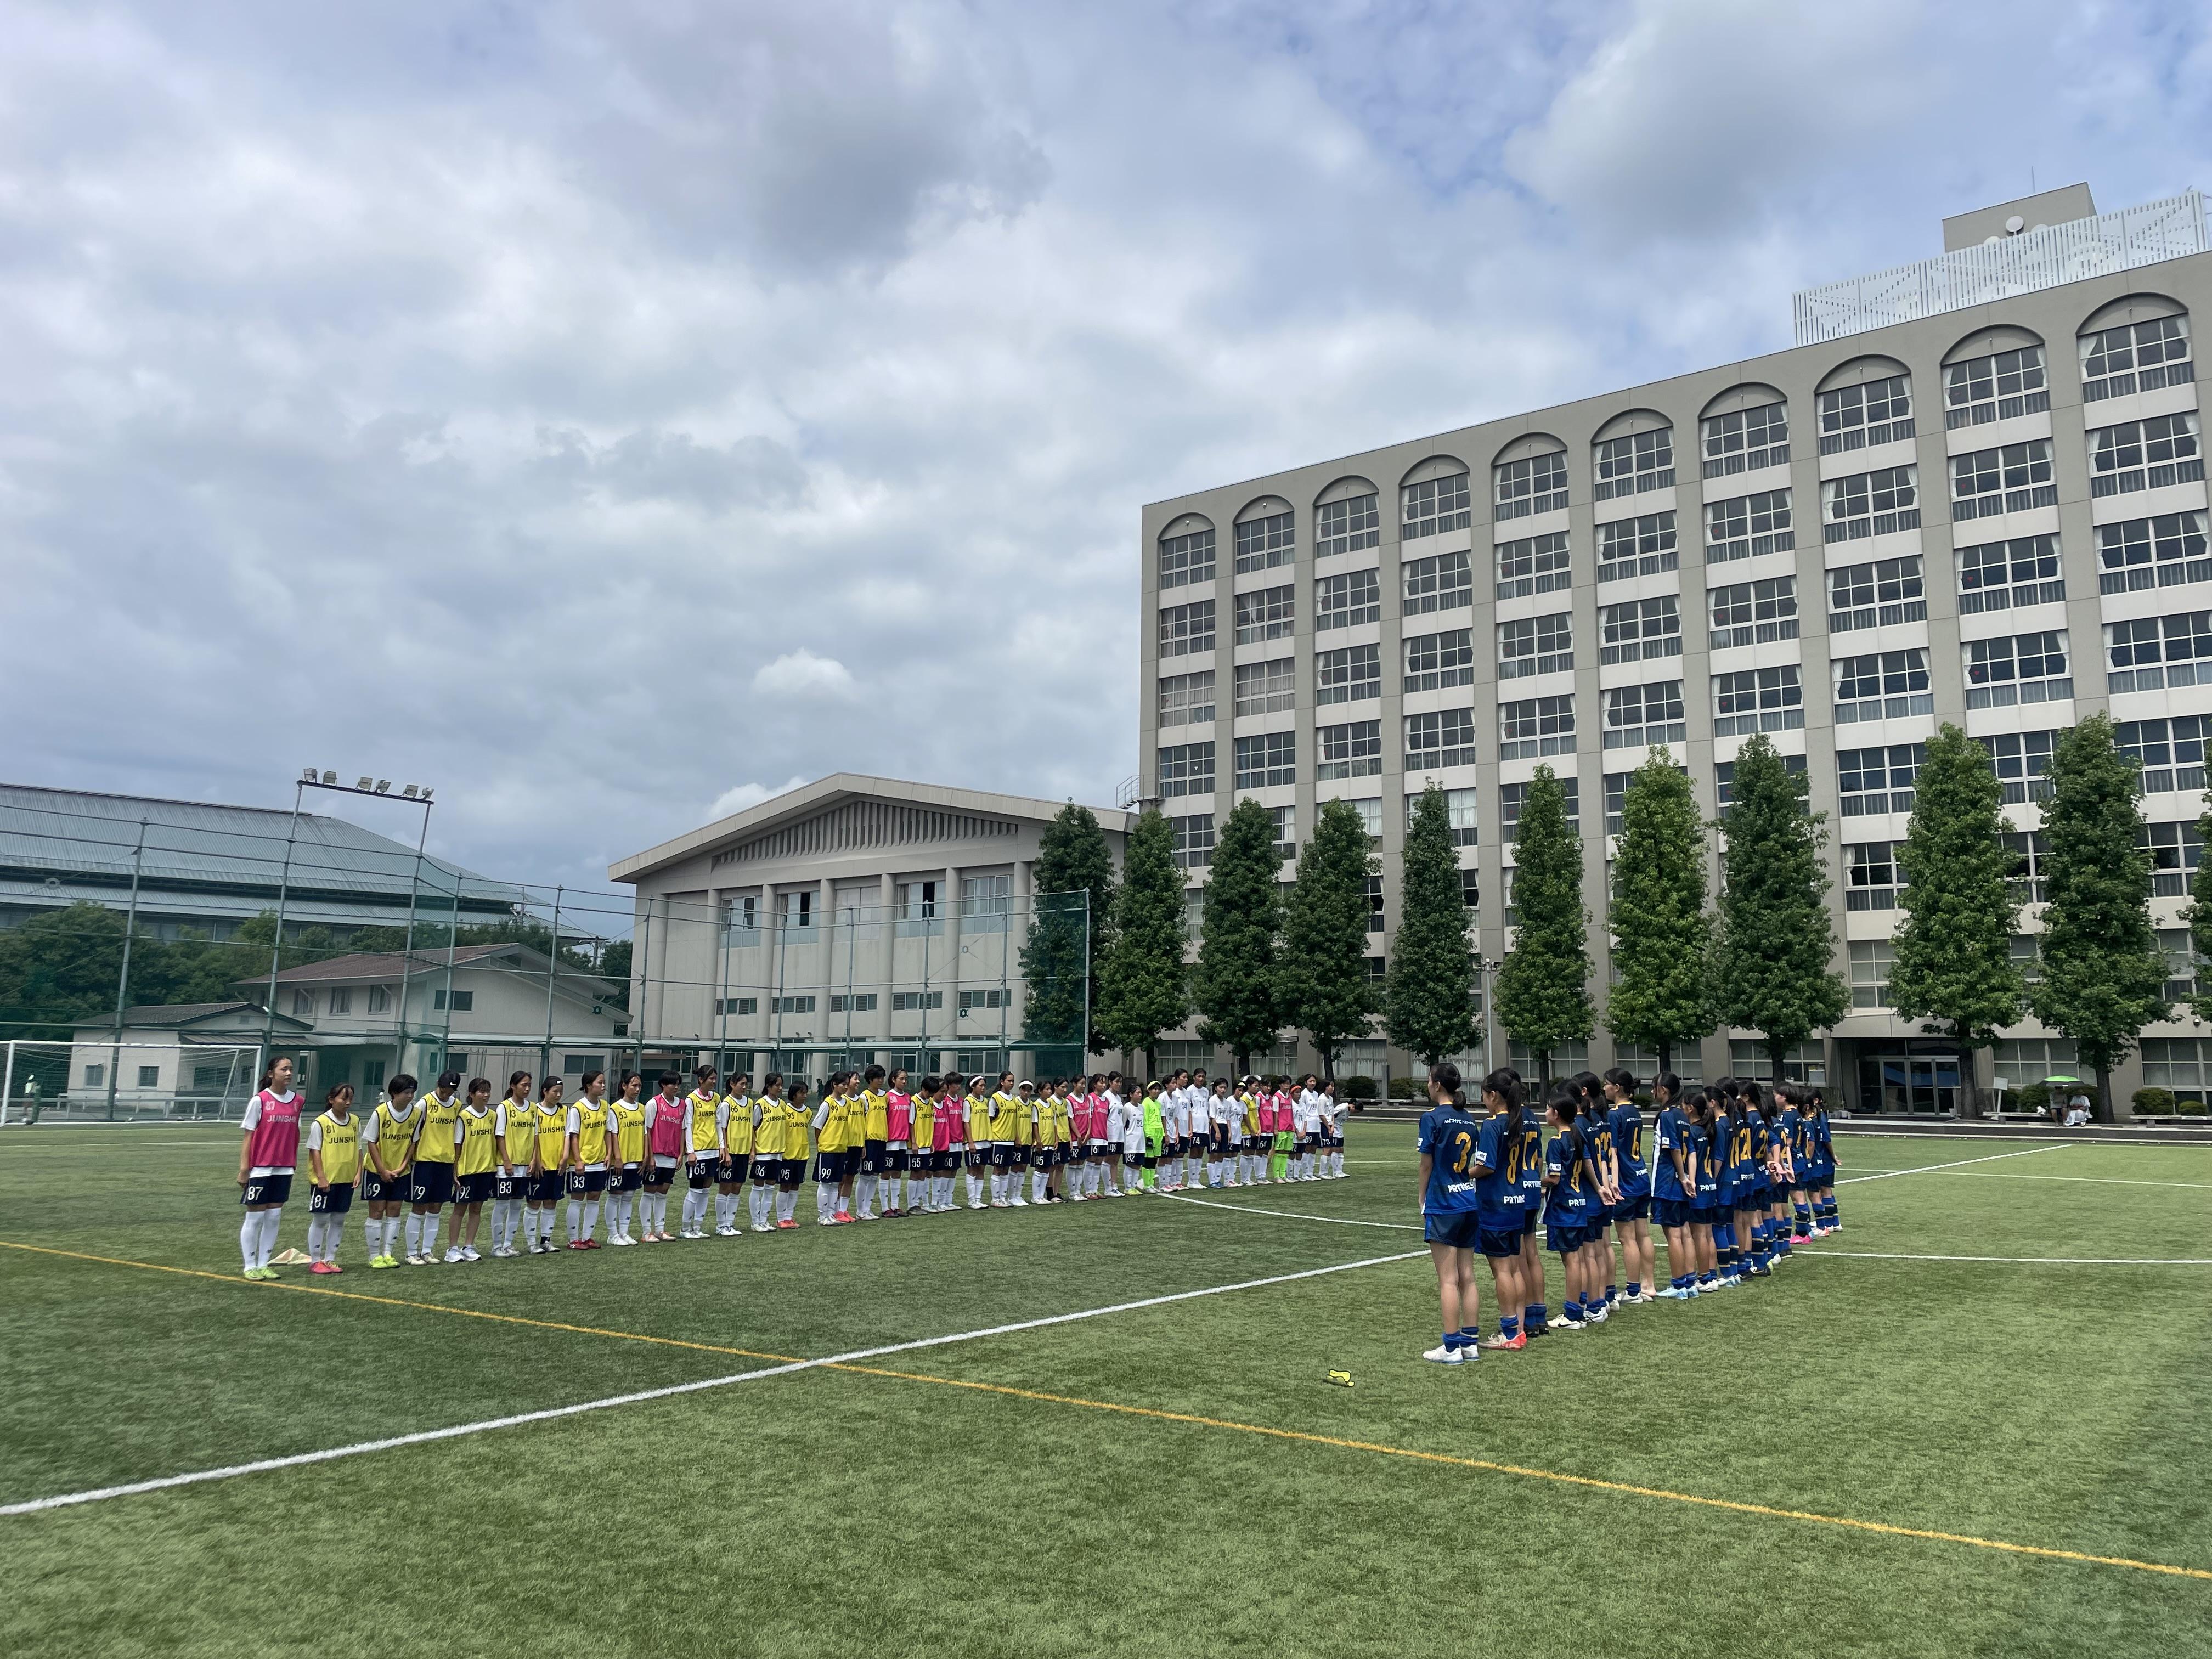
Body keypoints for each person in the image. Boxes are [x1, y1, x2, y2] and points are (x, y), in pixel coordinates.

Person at [1415, 1062, 1484, 1364]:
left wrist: (1422, 1198)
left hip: (1444, 1203)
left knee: (1447, 1279)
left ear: (1438, 1085)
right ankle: (1470, 1343)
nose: (1428, 1085)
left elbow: (1426, 1165)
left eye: (1430, 1080)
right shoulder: (1468, 1118)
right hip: (1468, 1200)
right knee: (1468, 1277)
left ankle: (1451, 1346)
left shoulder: (1431, 1118)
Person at [1470, 1069, 1530, 1350]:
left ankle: (1509, 1332)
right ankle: (1518, 1329)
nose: (1483, 1101)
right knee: (1515, 1269)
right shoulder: (1521, 1121)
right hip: (1517, 1202)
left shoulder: (1493, 1124)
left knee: (1502, 1271)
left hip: (1495, 1205)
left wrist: (1462, 1174)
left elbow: (1486, 1167)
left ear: (1493, 1095)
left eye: (1484, 1095)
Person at [1542, 1092, 1601, 1329]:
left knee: (1572, 1262)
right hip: (1579, 1204)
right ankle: (1579, 1307)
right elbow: (1587, 1164)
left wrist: (1534, 1182)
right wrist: (1599, 1188)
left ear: (1556, 1114)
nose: (1546, 1112)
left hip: (1564, 1207)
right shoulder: (1577, 1136)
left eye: (1548, 1108)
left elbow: (1554, 1178)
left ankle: (1572, 1313)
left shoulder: (1556, 1142)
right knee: (1577, 1258)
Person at [359, 1071, 421, 1269]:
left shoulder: (416, 1114)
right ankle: (374, 1255)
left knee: (394, 1210)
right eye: (406, 1092)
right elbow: (371, 1142)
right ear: (394, 1093)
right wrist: (382, 1170)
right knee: (377, 1210)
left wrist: (403, 1166)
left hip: (400, 1171)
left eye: (412, 1092)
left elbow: (413, 1142)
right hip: (376, 1171)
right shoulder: (380, 1112)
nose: (410, 1096)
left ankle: (388, 1253)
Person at [1602, 1068, 1654, 1304]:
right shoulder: (1634, 1110)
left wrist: (1613, 1182)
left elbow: (1612, 1152)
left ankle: (1633, 1291)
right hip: (1641, 1176)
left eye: (1607, 1084)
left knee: (1627, 1239)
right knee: (1643, 1235)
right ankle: (1648, 1284)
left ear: (1617, 1088)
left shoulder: (1615, 1114)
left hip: (1627, 1181)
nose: (1604, 1088)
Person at [404, 1069, 463, 1267]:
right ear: (439, 1084)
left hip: (445, 1162)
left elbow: (456, 1135)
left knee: (436, 1207)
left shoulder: (456, 1105)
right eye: (444, 1090)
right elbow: (414, 1133)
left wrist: (455, 1165)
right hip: (424, 1162)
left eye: (450, 1092)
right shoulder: (425, 1103)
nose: (446, 1095)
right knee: (419, 1206)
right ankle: (412, 1253)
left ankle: (427, 1251)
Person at [1650, 1073, 1699, 1299]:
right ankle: (1690, 1282)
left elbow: (1675, 1149)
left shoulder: (1668, 1115)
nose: (1653, 1091)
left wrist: (1681, 1176)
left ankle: (1679, 1285)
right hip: (1680, 1182)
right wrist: (1690, 1178)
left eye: (1655, 1087)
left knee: (1674, 1235)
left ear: (1664, 1090)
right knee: (1685, 1232)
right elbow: (1692, 1151)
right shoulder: (1683, 1115)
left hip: (1667, 1182)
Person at [304, 1081, 358, 1275]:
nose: (348, 1103)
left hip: (346, 1179)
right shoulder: (320, 1123)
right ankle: (315, 1260)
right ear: (331, 1099)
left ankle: (331, 1258)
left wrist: (358, 1172)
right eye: (344, 1099)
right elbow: (315, 1151)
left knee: (339, 1220)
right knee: (321, 1220)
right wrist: (321, 1177)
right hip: (326, 1180)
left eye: (350, 1099)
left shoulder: (355, 1121)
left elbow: (358, 1148)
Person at [445, 1076, 496, 1263]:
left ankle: (469, 1246)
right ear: (471, 1094)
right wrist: (455, 1171)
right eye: (482, 1092)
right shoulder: (464, 1117)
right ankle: (452, 1248)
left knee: (476, 1209)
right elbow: (457, 1146)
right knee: (460, 1209)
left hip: (486, 1170)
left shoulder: (493, 1116)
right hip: (466, 1171)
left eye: (488, 1091)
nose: (486, 1095)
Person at [565, 1069, 612, 1249]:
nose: (603, 1085)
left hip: (599, 1161)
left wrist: (609, 1154)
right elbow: (574, 1136)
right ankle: (573, 1240)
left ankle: (587, 1237)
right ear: (589, 1086)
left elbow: (608, 1132)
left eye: (604, 1082)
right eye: (600, 1082)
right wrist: (578, 1160)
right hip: (583, 1163)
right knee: (577, 1199)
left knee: (594, 1197)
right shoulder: (577, 1108)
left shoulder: (605, 1106)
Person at [489, 1071, 535, 1257]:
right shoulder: (504, 1107)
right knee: (502, 1205)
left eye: (529, 1085)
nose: (527, 1088)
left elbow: (535, 1136)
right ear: (513, 1086)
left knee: (517, 1205)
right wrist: (506, 1160)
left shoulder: (533, 1108)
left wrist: (534, 1159)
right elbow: (499, 1135)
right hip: (507, 1166)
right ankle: (496, 1246)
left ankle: (509, 1244)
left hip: (525, 1166)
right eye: (524, 1085)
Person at [680, 1063, 723, 1240]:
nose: (714, 1082)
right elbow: (688, 1126)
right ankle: (685, 1228)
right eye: (711, 1079)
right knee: (695, 1190)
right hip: (699, 1151)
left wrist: (722, 1147)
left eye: (715, 1078)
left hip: (713, 1151)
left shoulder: (716, 1098)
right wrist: (690, 1151)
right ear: (701, 1080)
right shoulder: (691, 1100)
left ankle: (698, 1227)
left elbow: (719, 1123)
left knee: (706, 1190)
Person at [641, 1071, 685, 1242]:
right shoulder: (654, 1103)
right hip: (656, 1155)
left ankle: (660, 1230)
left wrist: (681, 1154)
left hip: (672, 1155)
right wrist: (650, 1156)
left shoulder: (682, 1105)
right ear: (663, 1085)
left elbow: (683, 1130)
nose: (676, 1087)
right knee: (649, 1191)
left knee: (663, 1191)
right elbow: (647, 1131)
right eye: (672, 1084)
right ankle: (646, 1232)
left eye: (677, 1084)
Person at [528, 1077, 569, 1254]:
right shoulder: (535, 1111)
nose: (558, 1095)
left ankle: (546, 1240)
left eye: (561, 1092)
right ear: (545, 1091)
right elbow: (532, 1137)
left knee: (552, 1202)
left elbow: (568, 1134)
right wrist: (537, 1160)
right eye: (555, 1091)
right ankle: (531, 1243)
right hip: (541, 1166)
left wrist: (565, 1157)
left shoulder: (565, 1111)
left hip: (558, 1166)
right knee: (535, 1203)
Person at [607, 1071, 648, 1244]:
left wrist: (645, 1155)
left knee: (629, 1196)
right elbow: (613, 1135)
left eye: (640, 1086)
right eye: (634, 1085)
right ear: (624, 1086)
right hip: (621, 1161)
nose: (637, 1089)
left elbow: (645, 1133)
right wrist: (617, 1158)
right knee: (615, 1196)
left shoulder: (642, 1108)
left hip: (636, 1160)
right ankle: (612, 1234)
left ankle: (624, 1232)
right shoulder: (615, 1109)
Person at [716, 1070, 754, 1235]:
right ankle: (721, 1225)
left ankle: (730, 1223)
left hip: (744, 1151)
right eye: (741, 1084)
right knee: (725, 1187)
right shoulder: (727, 1104)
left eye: (746, 1084)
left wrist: (752, 1150)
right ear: (732, 1084)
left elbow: (752, 1128)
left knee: (737, 1187)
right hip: (731, 1152)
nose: (744, 1087)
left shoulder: (750, 1103)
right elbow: (722, 1129)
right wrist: (725, 1152)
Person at [855, 1065, 891, 1221]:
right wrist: (862, 1143)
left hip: (882, 1140)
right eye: (878, 1078)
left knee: (875, 1176)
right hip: (869, 1141)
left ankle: (868, 1209)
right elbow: (861, 1120)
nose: (881, 1080)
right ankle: (860, 1210)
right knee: (865, 1176)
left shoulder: (885, 1096)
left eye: (882, 1077)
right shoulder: (864, 1097)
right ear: (870, 1080)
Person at [883, 1068, 913, 1216]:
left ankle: (895, 1206)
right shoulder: (888, 1096)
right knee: (885, 1174)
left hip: (903, 1142)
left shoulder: (908, 1098)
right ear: (894, 1080)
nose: (904, 1081)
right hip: (890, 1141)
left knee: (897, 1173)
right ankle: (885, 1208)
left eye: (906, 1078)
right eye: (901, 1078)